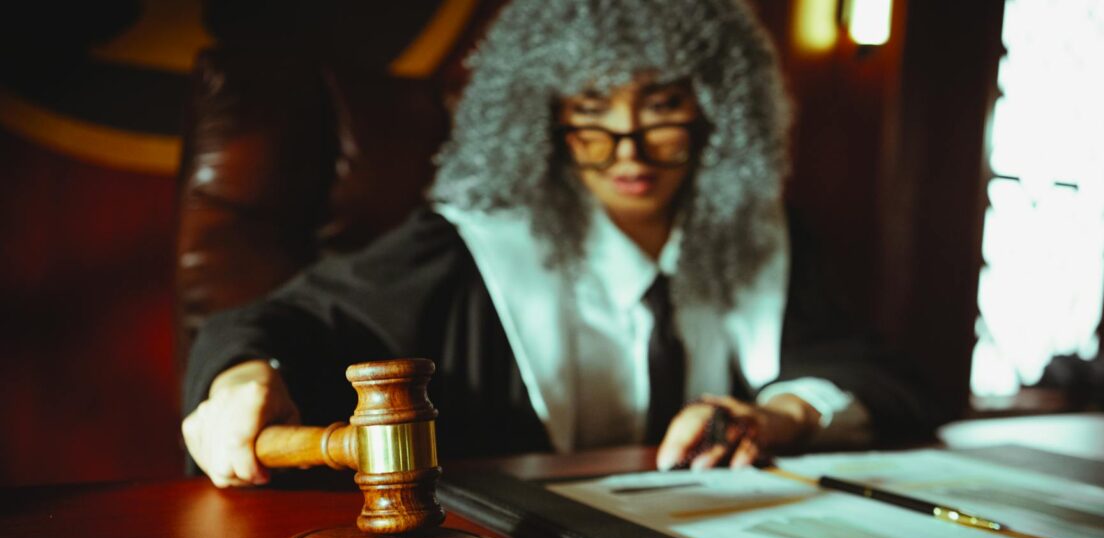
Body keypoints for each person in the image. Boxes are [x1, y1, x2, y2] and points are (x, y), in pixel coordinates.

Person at [182, 0, 940, 488]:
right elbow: (272, 328)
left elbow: (874, 372)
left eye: (664, 106)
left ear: (716, 113)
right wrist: (244, 380)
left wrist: (775, 417)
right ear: (543, 118)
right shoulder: (465, 246)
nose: (629, 149)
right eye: (592, 110)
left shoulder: (771, 241)